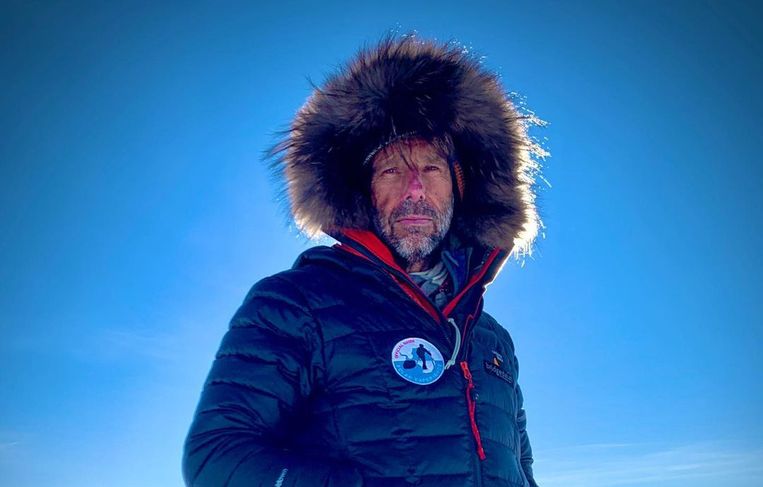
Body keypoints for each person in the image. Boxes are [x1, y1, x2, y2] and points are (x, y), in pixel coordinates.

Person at [183, 35, 544, 487]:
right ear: (362, 192)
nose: (414, 189)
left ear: (460, 187)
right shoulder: (295, 303)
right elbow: (217, 455)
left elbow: (522, 470)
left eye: (432, 168)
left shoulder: (491, 339)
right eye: (392, 169)